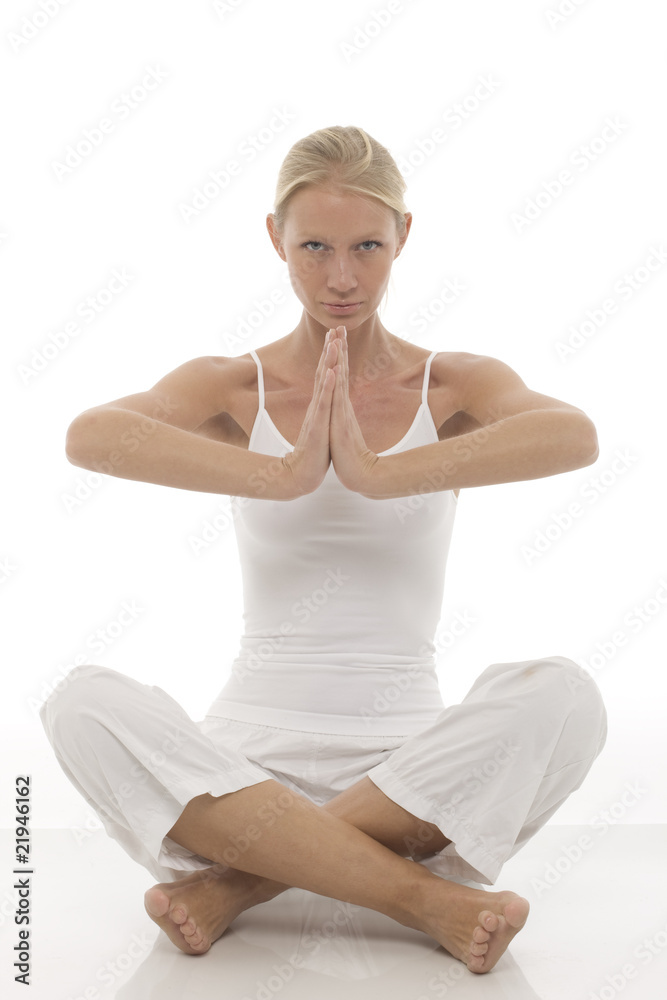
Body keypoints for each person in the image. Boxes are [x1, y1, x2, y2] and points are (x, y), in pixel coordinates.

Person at [40, 125, 607, 975]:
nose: (340, 277)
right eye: (313, 246)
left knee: (565, 695)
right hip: (239, 766)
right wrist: (283, 472)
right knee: (80, 701)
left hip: (406, 766)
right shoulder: (233, 384)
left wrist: (379, 473)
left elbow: (573, 436)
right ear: (276, 239)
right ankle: (422, 898)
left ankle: (235, 886)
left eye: (366, 247)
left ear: (402, 239)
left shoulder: (452, 383)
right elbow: (91, 437)